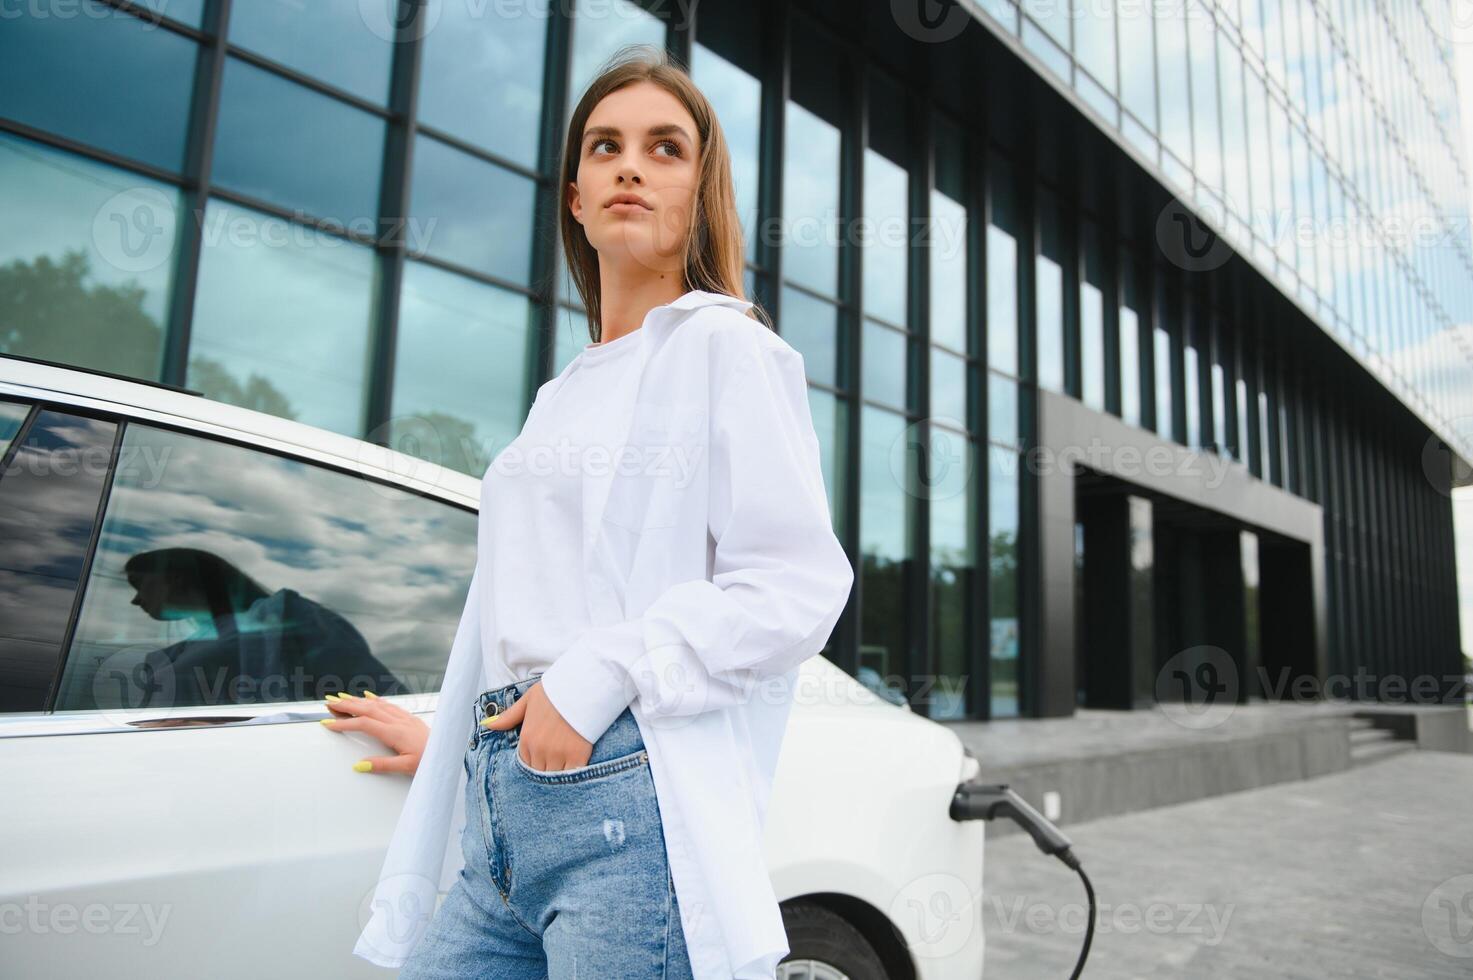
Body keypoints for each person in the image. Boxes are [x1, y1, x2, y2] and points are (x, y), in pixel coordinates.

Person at [330, 45, 853, 979]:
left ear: (700, 191)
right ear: (575, 197)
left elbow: (797, 584)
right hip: (505, 804)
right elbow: (507, 613)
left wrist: (593, 679)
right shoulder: (558, 396)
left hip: (625, 803)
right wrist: (461, 743)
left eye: (664, 149)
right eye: (605, 147)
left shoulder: (725, 350)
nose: (630, 166)